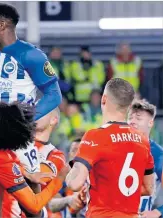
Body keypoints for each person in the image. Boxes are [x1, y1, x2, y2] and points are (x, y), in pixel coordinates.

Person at [0, 3, 62, 141]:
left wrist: (23, 121)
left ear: (2, 25)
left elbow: (54, 95)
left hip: (17, 140)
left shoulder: (31, 55)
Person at [66, 78, 155, 217]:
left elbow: (75, 184)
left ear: (104, 99)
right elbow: (149, 188)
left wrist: (70, 175)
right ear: (129, 105)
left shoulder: (95, 136)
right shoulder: (143, 140)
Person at [128, 99, 163, 217]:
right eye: (130, 117)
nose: (132, 121)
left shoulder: (158, 155)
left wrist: (158, 212)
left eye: (138, 118)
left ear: (150, 123)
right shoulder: (117, 147)